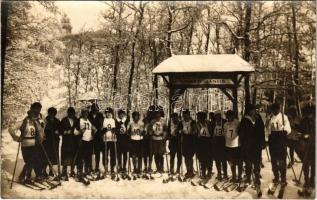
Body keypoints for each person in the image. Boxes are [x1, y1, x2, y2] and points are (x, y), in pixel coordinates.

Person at [9, 102, 45, 183]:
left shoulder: (39, 121)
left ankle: (38, 175)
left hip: (36, 144)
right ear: (31, 110)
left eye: (38, 111)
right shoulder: (25, 121)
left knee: (37, 160)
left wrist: (41, 138)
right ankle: (23, 177)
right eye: (35, 111)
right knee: (30, 161)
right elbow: (11, 129)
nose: (36, 113)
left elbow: (42, 131)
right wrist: (15, 137)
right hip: (26, 144)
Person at [265, 102, 291, 185]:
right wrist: (266, 138)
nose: (275, 111)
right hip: (273, 140)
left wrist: (285, 131)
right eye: (273, 109)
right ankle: (276, 177)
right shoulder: (270, 118)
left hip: (281, 140)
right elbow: (267, 130)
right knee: (274, 160)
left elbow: (288, 128)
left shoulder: (284, 117)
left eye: (276, 109)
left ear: (279, 109)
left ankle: (283, 178)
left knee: (282, 161)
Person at [239, 104, 265, 186]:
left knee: (257, 161)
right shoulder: (244, 119)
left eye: (253, 110)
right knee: (248, 162)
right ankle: (248, 177)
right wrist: (242, 142)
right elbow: (240, 132)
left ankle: (257, 177)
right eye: (250, 110)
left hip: (257, 144)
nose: (252, 111)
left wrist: (263, 142)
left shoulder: (258, 118)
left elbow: (262, 130)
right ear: (248, 111)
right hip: (247, 145)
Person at [297, 105, 315, 195]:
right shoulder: (304, 120)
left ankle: (312, 182)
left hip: (314, 146)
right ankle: (306, 182)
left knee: (314, 165)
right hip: (305, 146)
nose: (309, 116)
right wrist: (302, 135)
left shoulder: (315, 121)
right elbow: (299, 131)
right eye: (308, 114)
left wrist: (311, 136)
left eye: (310, 114)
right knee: (305, 164)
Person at [74, 109, 95, 181]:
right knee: (81, 157)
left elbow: (92, 129)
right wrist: (80, 131)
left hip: (89, 140)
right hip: (82, 141)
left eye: (87, 113)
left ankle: (86, 171)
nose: (86, 114)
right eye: (84, 113)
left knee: (88, 157)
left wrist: (94, 130)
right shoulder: (79, 120)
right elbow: (75, 132)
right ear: (82, 114)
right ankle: (80, 171)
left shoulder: (89, 120)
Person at [177, 109, 198, 179]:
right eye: (184, 116)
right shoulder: (181, 122)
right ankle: (188, 170)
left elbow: (196, 131)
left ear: (189, 115)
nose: (185, 117)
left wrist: (193, 131)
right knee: (186, 156)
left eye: (186, 115)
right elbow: (179, 131)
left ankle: (191, 170)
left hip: (191, 140)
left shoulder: (193, 122)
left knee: (190, 156)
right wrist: (181, 131)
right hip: (184, 140)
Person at [60, 107, 78, 181]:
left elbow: (78, 128)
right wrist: (66, 132)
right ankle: (64, 171)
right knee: (65, 155)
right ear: (68, 113)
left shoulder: (76, 120)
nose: (71, 114)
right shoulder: (64, 120)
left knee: (73, 156)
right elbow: (60, 130)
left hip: (74, 141)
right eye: (70, 113)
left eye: (73, 113)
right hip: (66, 142)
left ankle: (72, 170)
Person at [224, 110, 242, 183]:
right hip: (228, 145)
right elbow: (225, 134)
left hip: (237, 145)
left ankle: (240, 176)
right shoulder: (225, 124)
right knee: (231, 162)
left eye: (231, 115)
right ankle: (234, 175)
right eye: (228, 116)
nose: (230, 117)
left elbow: (240, 132)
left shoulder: (237, 122)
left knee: (239, 161)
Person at [43, 107, 61, 178]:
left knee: (53, 156)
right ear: (49, 113)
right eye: (50, 113)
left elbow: (60, 130)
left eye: (53, 113)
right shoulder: (45, 120)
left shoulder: (57, 121)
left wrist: (58, 132)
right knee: (45, 156)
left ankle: (51, 170)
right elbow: (42, 129)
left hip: (55, 141)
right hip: (47, 141)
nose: (52, 114)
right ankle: (44, 171)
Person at [88, 103, 104, 175]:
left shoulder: (100, 115)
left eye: (96, 110)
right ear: (92, 110)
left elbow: (101, 124)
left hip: (98, 136)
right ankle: (90, 167)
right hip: (89, 136)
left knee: (97, 152)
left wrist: (98, 130)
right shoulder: (89, 115)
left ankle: (97, 167)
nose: (95, 111)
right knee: (90, 152)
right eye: (94, 110)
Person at [196, 111, 213, 179]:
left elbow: (211, 132)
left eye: (198, 117)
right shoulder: (197, 124)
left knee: (208, 157)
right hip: (200, 142)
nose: (198, 118)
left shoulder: (208, 123)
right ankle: (203, 171)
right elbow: (196, 133)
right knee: (202, 157)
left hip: (208, 141)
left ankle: (209, 171)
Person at [102, 107, 117, 179]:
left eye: (109, 113)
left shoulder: (113, 120)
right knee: (105, 154)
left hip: (112, 139)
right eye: (107, 113)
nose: (108, 114)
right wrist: (104, 131)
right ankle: (106, 168)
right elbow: (102, 129)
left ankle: (112, 168)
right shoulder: (104, 120)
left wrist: (114, 132)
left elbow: (114, 129)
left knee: (112, 154)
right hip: (105, 140)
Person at [212, 111, 227, 180]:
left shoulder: (224, 122)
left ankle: (225, 174)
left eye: (219, 115)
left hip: (223, 141)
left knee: (223, 159)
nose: (218, 117)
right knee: (217, 159)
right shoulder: (213, 122)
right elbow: (211, 131)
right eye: (216, 116)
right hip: (216, 142)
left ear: (220, 116)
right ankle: (219, 173)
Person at [116, 109, 129, 174]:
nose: (121, 115)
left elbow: (128, 128)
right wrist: (117, 131)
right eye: (120, 114)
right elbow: (115, 129)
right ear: (118, 115)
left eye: (122, 114)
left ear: (124, 115)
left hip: (125, 139)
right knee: (119, 154)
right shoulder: (117, 121)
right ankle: (120, 166)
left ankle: (124, 166)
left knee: (125, 154)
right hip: (119, 139)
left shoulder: (126, 121)